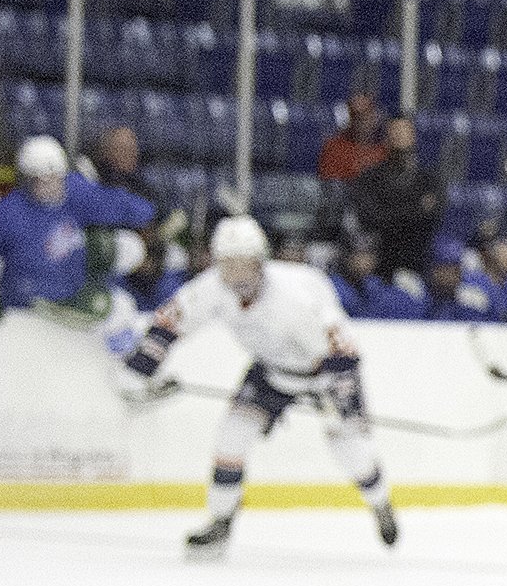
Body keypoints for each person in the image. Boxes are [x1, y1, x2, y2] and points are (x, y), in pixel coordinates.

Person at [118, 215, 398, 557]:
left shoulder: (296, 297)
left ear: (260, 261)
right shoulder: (213, 287)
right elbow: (171, 321)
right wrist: (143, 365)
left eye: (244, 264)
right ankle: (221, 522)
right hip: (272, 371)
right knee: (231, 434)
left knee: (350, 450)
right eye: (227, 264)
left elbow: (345, 353)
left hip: (325, 374)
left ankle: (379, 502)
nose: (235, 275)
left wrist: (336, 393)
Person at [0, 135, 156, 315]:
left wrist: (146, 213)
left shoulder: (76, 191)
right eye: (37, 179)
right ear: (26, 179)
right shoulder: (7, 213)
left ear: (62, 173)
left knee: (122, 307)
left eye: (52, 177)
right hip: (24, 307)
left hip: (72, 300)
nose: (45, 185)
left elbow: (128, 207)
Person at [344, 115, 440, 278]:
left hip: (417, 261)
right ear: (386, 137)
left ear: (414, 136)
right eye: (395, 131)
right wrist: (416, 209)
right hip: (379, 264)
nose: (399, 136)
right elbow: (370, 217)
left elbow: (431, 217)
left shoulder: (430, 180)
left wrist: (390, 211)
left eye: (404, 131)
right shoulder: (369, 178)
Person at [332, 235, 422, 320]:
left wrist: (418, 296)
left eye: (370, 254)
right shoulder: (331, 286)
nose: (365, 261)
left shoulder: (375, 286)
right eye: (359, 254)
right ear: (346, 257)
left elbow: (413, 310)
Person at [316, 92, 386, 186]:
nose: (362, 123)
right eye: (356, 117)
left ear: (374, 117)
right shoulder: (333, 147)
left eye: (366, 117)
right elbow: (330, 187)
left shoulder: (384, 150)